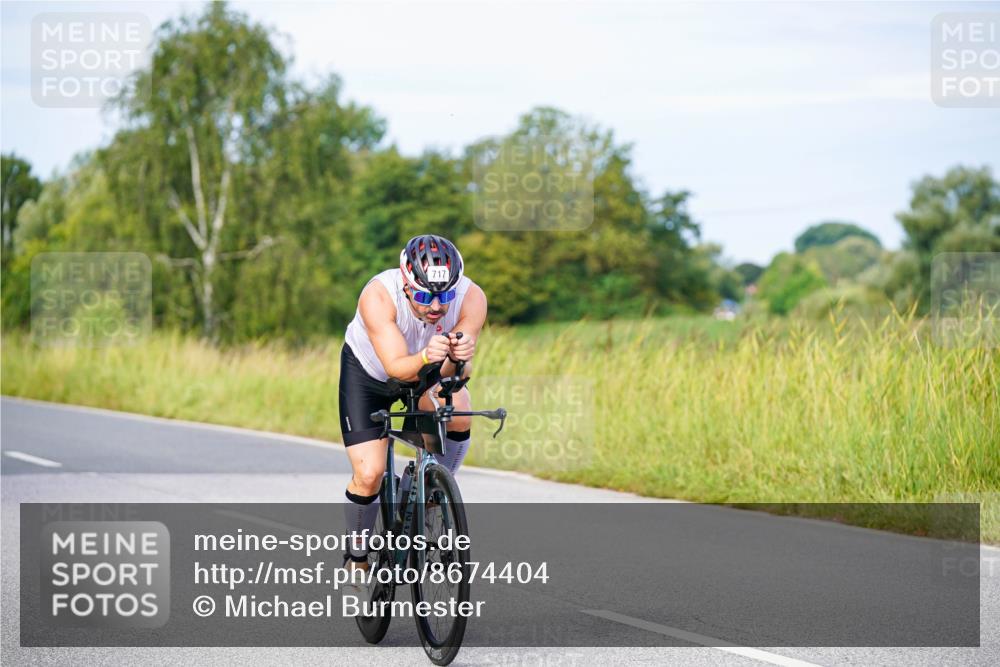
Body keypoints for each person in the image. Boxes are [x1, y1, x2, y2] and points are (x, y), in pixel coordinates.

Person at [339, 234, 487, 572]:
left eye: (444, 296)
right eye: (423, 297)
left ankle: (433, 489)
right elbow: (396, 368)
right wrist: (425, 355)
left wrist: (458, 356)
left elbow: (456, 373)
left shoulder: (472, 297)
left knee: (459, 411)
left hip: (426, 368)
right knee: (370, 473)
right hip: (371, 375)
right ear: (406, 283)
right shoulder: (378, 295)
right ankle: (357, 557)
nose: (436, 307)